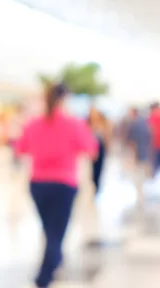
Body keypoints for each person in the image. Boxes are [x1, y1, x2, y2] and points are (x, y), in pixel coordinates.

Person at [15, 82, 97, 288]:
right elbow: (91, 149)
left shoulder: (33, 123)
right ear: (65, 99)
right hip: (63, 184)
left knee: (50, 229)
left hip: (39, 184)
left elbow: (20, 148)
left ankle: (55, 261)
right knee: (56, 233)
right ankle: (44, 277)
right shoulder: (73, 123)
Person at [125, 107, 152, 205]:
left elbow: (131, 139)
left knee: (138, 171)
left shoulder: (135, 123)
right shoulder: (144, 123)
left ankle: (139, 188)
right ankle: (141, 187)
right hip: (143, 149)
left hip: (138, 150)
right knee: (141, 168)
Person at [89, 108, 112, 198]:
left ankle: (97, 187)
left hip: (101, 149)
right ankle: (94, 184)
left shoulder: (104, 125)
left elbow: (107, 138)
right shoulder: (91, 124)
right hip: (94, 149)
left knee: (99, 169)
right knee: (93, 169)